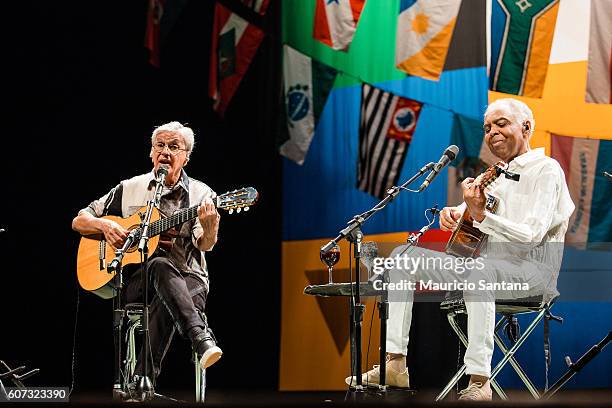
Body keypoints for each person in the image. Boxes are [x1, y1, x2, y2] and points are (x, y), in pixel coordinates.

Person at [346, 98, 575, 401]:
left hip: (532, 275)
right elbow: (472, 212)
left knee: (481, 269)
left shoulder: (547, 170)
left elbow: (530, 237)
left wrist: (481, 216)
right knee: (403, 257)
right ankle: (395, 363)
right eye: (487, 127)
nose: (492, 131)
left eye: (501, 123)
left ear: (527, 127)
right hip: (487, 273)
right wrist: (452, 214)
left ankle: (480, 380)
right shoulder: (494, 175)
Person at [72, 121, 222, 382]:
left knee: (164, 276)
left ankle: (142, 381)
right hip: (137, 280)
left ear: (186, 157)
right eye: (160, 145)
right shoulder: (130, 187)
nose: (166, 151)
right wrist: (105, 224)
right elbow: (80, 220)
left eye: (174, 147)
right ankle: (201, 337)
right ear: (151, 153)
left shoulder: (203, 194)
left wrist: (210, 228)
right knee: (158, 267)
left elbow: (205, 245)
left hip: (190, 281)